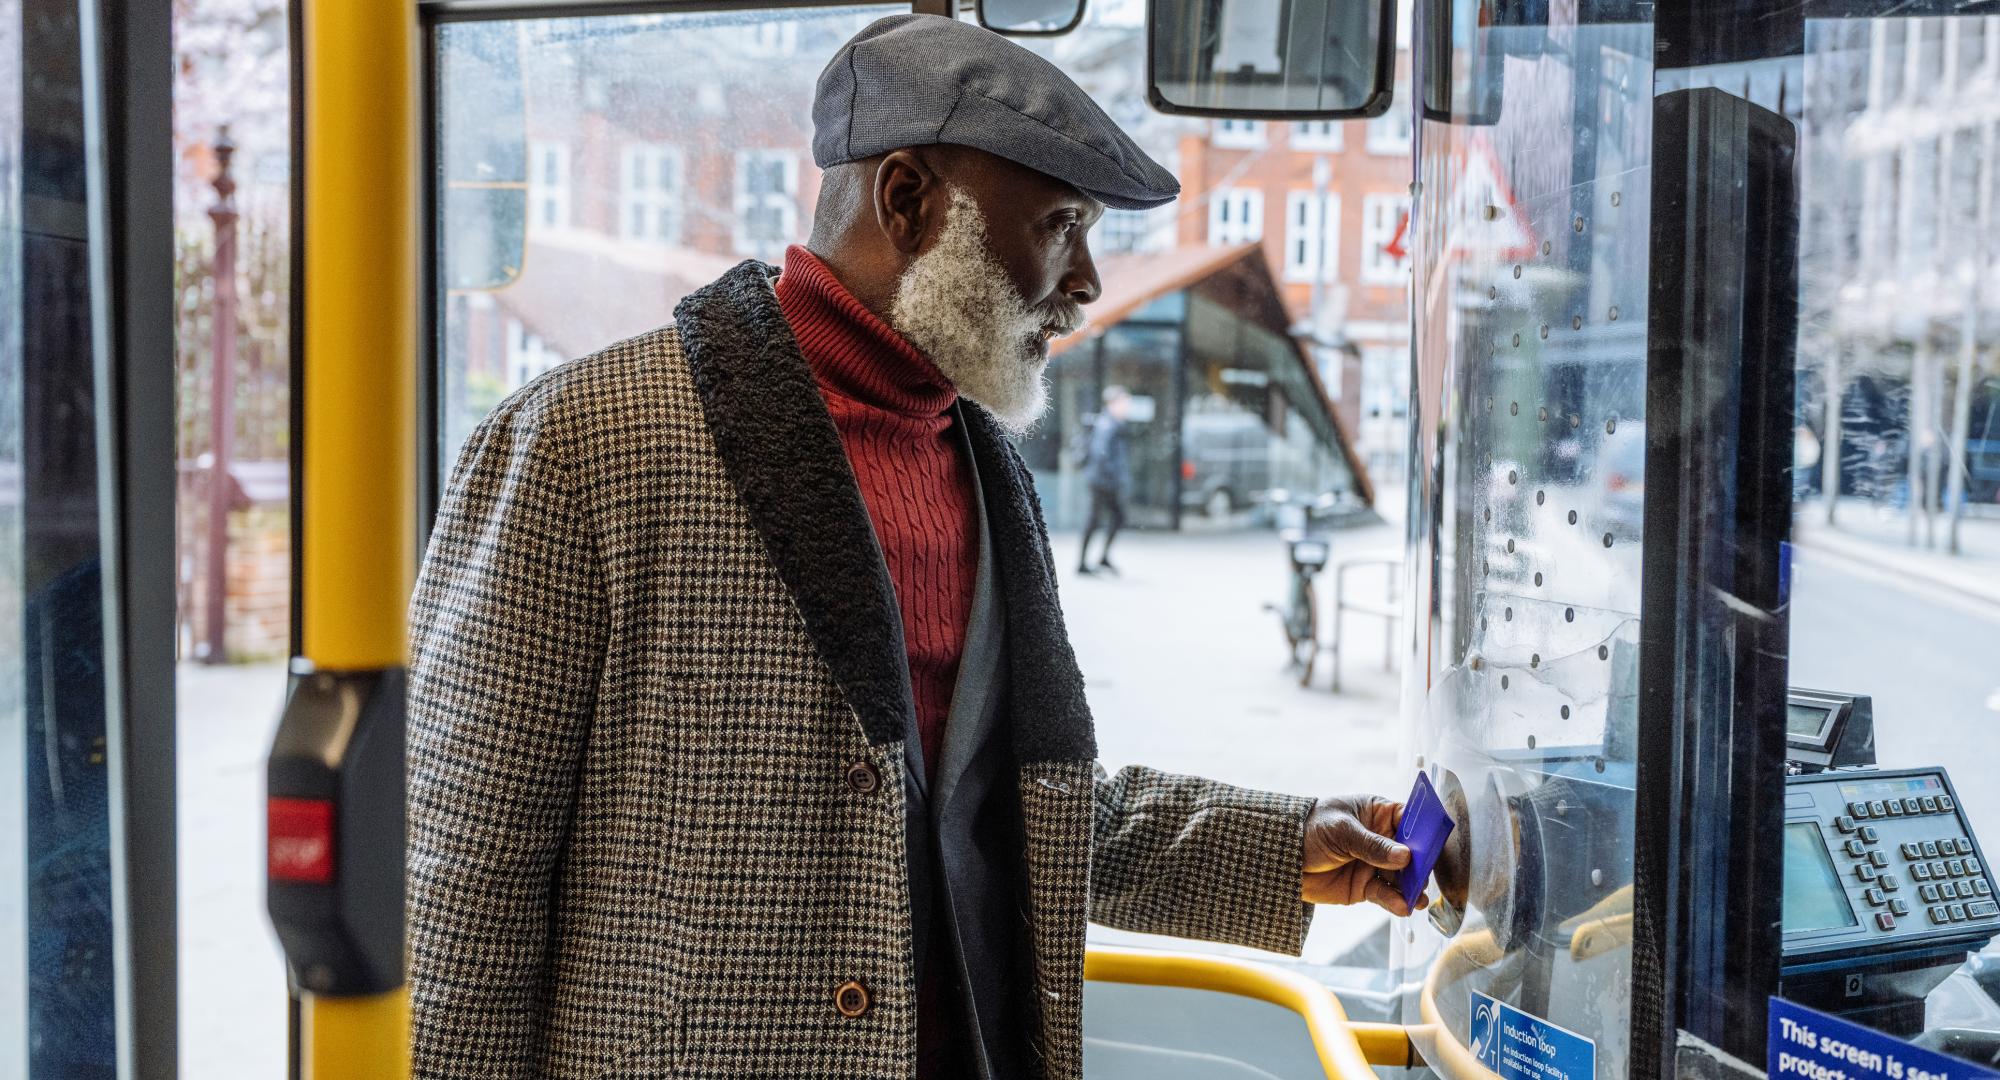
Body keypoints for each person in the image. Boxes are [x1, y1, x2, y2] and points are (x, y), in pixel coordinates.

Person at [405, 15, 1422, 1080]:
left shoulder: (981, 459)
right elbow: (460, 873)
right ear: (906, 201)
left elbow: (987, 807)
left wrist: (1279, 846)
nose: (1082, 281)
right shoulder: (582, 442)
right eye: (1060, 225)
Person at [1078, 384, 1131, 576]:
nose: (1127, 407)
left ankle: (1101, 558)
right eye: (1125, 402)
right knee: (1095, 520)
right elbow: (1101, 455)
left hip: (1104, 480)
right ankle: (1083, 563)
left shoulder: (1113, 423)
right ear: (1113, 403)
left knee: (1114, 518)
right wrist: (1114, 478)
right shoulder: (1107, 424)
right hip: (1102, 482)